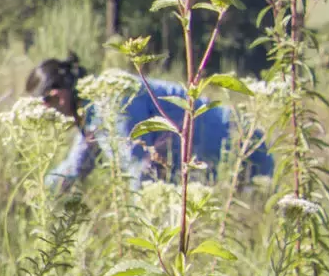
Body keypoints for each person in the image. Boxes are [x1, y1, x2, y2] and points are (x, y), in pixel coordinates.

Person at [27, 56, 274, 187]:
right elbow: (76, 166)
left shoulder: (113, 100)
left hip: (241, 143)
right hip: (213, 163)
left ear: (58, 95)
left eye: (44, 103)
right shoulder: (92, 114)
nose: (44, 113)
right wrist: (37, 193)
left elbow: (138, 171)